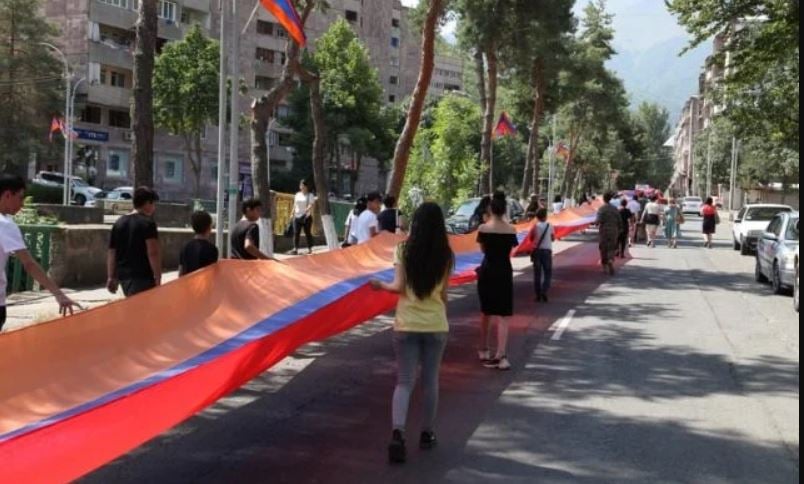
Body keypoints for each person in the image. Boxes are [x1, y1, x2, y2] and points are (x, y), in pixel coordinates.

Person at [369, 202, 454, 465]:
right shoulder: (446, 255)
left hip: (406, 325)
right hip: (435, 326)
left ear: (415, 223)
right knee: (430, 382)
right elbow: (443, 294)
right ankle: (427, 434)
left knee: (404, 382)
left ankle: (398, 434)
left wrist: (379, 284)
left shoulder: (403, 249)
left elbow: (398, 287)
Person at [1, 175, 80, 331]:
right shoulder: (5, 225)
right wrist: (59, 294)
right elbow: (29, 264)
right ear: (7, 195)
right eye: (20, 198)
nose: (22, 204)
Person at [477, 192, 519, 370]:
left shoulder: (483, 228)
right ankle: (501, 354)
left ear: (490, 209)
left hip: (487, 270)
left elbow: (483, 250)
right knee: (503, 315)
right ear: (504, 210)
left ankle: (484, 349)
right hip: (504, 271)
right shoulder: (511, 229)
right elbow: (511, 250)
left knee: (486, 311)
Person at [107, 187, 162, 297]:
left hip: (124, 276)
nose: (154, 208)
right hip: (143, 276)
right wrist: (157, 276)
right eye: (153, 204)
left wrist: (111, 276)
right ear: (147, 203)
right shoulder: (148, 224)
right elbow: (153, 252)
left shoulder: (118, 223)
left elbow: (112, 252)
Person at [179, 211, 219, 276]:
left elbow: (181, 272)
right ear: (209, 227)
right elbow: (213, 274)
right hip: (204, 285)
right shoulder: (212, 249)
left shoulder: (185, 247)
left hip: (188, 284)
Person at [529, 208, 555, 302]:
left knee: (537, 274)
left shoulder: (535, 226)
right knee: (547, 273)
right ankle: (544, 290)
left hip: (537, 252)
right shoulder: (550, 225)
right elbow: (553, 238)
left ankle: (538, 295)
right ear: (545, 216)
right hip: (547, 251)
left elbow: (531, 238)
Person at [596, 192, 622, 275]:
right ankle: (610, 260)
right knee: (611, 247)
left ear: (604, 199)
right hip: (614, 230)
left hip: (604, 231)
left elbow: (598, 221)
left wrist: (594, 223)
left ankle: (604, 267)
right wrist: (620, 229)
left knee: (603, 248)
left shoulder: (601, 209)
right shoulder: (615, 209)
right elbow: (619, 220)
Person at [291, 180, 315, 255]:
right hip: (297, 216)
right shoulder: (297, 194)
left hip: (306, 217)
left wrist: (307, 209)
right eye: (301, 185)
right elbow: (295, 204)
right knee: (296, 232)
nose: (302, 187)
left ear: (307, 187)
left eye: (304, 186)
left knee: (307, 233)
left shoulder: (310, 195)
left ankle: (310, 248)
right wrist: (292, 213)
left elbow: (311, 204)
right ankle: (295, 248)